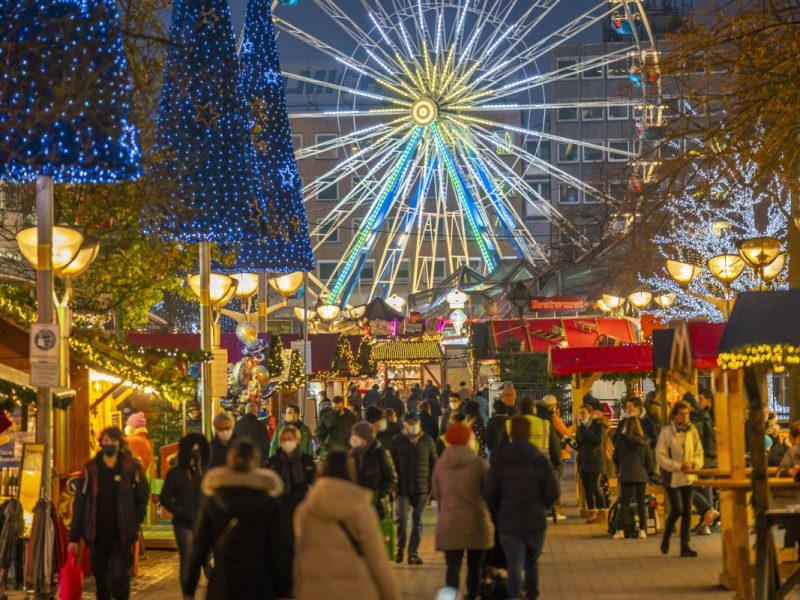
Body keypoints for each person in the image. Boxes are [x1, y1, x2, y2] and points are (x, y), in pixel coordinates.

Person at [182, 439, 286, 600]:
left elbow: (199, 546)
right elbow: (279, 548)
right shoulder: (268, 502)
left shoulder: (214, 500)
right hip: (260, 583)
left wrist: (189, 589)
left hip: (224, 582)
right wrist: (284, 589)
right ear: (255, 462)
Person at [293, 451, 400, 600]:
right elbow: (377, 562)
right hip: (357, 591)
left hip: (316, 592)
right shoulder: (360, 509)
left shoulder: (305, 511)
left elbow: (300, 559)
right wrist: (391, 595)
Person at [483, 416, 559, 600]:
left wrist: (499, 509)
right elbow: (553, 491)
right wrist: (543, 507)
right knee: (531, 562)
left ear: (510, 433)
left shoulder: (501, 460)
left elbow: (489, 492)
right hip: (535, 519)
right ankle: (532, 595)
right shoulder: (539, 459)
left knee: (514, 563)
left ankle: (514, 596)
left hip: (509, 520)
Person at [69, 427, 149, 600]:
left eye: (112, 441)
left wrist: (136, 519)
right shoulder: (90, 469)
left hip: (122, 531)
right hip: (97, 532)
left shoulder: (130, 467)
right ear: (100, 443)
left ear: (119, 443)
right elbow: (80, 503)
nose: (109, 444)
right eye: (105, 441)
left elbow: (143, 494)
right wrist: (74, 537)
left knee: (120, 576)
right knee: (101, 579)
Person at [432, 423, 494, 600]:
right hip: (477, 521)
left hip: (449, 522)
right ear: (469, 440)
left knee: (452, 567)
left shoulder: (440, 465)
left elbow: (437, 494)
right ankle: (473, 595)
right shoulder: (479, 464)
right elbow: (490, 492)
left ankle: (451, 596)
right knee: (475, 568)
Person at [267, 425, 316, 592]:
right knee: (282, 548)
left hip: (300, 510)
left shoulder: (306, 461)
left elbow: (314, 484)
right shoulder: (274, 461)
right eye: (285, 439)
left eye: (291, 439)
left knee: (299, 547)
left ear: (297, 440)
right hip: (280, 511)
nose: (288, 442)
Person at [656, 400, 704, 558]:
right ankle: (667, 537)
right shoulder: (666, 432)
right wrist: (677, 465)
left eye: (687, 413)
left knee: (687, 511)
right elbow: (660, 455)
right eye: (682, 414)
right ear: (675, 415)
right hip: (672, 476)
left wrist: (694, 464)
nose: (685, 417)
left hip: (688, 475)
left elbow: (698, 451)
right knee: (678, 508)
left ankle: (685, 545)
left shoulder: (692, 431)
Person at [161, 433, 210, 582]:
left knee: (206, 558)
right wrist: (181, 512)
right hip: (184, 523)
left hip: (204, 522)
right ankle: (188, 593)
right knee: (188, 559)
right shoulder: (176, 474)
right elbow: (166, 498)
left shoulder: (206, 473)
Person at [392, 412, 438, 565]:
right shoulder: (397, 441)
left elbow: (434, 464)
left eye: (415, 423)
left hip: (421, 487)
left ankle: (413, 552)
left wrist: (431, 488)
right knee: (401, 520)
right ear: (404, 424)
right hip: (401, 487)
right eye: (410, 423)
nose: (413, 426)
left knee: (418, 521)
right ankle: (399, 548)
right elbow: (392, 464)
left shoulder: (428, 441)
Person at [612, 416, 655, 539]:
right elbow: (649, 460)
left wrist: (619, 468)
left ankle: (620, 530)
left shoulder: (621, 440)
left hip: (625, 474)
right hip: (641, 475)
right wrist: (650, 472)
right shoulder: (644, 441)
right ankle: (642, 529)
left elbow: (616, 457)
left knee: (624, 503)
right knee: (641, 503)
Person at [686, 390, 719, 534]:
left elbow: (698, 440)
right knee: (705, 489)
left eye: (700, 398)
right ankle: (706, 522)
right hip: (709, 458)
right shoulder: (704, 416)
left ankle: (709, 521)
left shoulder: (700, 418)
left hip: (705, 458)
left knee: (703, 489)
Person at [350, 421, 397, 519]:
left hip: (377, 507)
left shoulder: (381, 454)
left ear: (365, 437)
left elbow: (392, 479)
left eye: (355, 435)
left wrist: (379, 495)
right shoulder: (352, 455)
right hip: (357, 506)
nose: (352, 438)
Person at [576, 403, 607, 523]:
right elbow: (579, 445)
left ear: (590, 414)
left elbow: (597, 440)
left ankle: (603, 510)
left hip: (595, 461)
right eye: (579, 413)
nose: (581, 415)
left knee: (594, 486)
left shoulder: (597, 425)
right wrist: (569, 442)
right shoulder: (580, 428)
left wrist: (584, 429)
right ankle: (592, 513)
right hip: (584, 461)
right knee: (587, 489)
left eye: (583, 413)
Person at [515, 398, 561, 470]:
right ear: (534, 409)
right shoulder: (545, 423)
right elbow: (554, 444)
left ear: (520, 409)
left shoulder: (512, 423)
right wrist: (557, 462)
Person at [233, 401, 270, 466]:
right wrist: (264, 461)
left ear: (245, 412)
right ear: (255, 412)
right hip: (257, 462)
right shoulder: (260, 426)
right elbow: (266, 444)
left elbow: (232, 443)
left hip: (240, 462)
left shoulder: (237, 425)